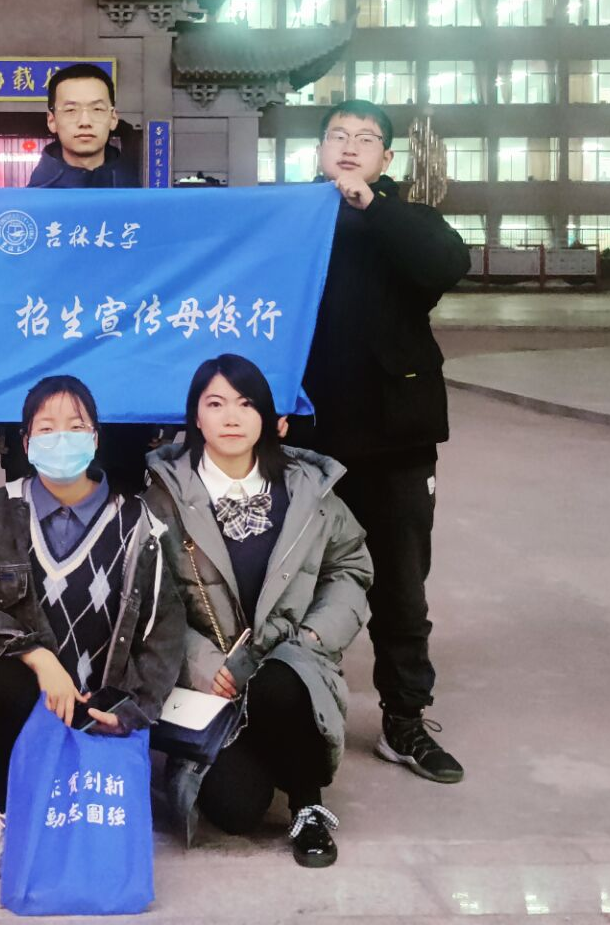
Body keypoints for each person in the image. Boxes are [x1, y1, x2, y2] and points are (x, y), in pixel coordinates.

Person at [292, 99, 472, 785]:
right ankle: (304, 707)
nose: (349, 146)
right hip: (308, 438)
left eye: (365, 139)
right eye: (337, 135)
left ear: (386, 159)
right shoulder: (293, 217)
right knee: (301, 584)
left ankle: (404, 718)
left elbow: (444, 265)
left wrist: (371, 205)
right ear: (318, 149)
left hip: (396, 438)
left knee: (400, 586)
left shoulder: (409, 220)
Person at [0, 374, 185, 881]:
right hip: (16, 699)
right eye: (46, 428)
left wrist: (132, 706)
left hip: (96, 700)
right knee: (2, 679)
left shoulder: (138, 524)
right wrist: (37, 657)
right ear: (26, 441)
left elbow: (163, 629)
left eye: (76, 427)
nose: (62, 439)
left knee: (92, 853)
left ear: (95, 438)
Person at [144, 354, 372, 867]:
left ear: (270, 417)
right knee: (236, 810)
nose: (231, 417)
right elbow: (150, 595)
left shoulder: (307, 489)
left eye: (246, 404)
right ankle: (263, 749)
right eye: (216, 404)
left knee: (279, 682)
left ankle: (308, 803)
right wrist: (200, 662)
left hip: (290, 666)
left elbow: (349, 566)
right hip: (214, 684)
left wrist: (315, 637)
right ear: (195, 416)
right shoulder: (164, 497)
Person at [0, 63, 152, 495]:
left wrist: (163, 402)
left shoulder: (148, 208)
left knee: (122, 518)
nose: (84, 121)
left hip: (124, 402)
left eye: (96, 109)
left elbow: (163, 302)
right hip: (38, 405)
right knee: (33, 523)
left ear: (113, 118)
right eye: (71, 109)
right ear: (51, 119)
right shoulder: (17, 214)